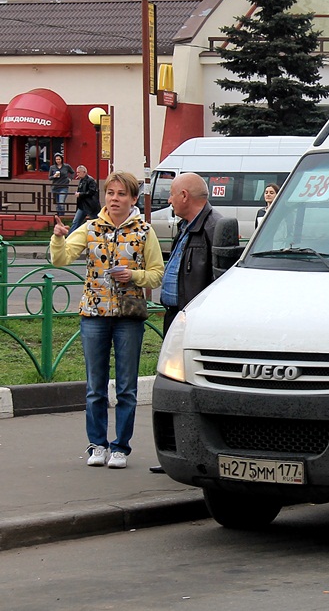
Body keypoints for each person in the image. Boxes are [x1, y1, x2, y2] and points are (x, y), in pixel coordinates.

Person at [49, 171, 164, 470]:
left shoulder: (143, 231)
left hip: (128, 316)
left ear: (133, 199)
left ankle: (120, 447)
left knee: (126, 387)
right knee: (95, 386)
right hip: (94, 315)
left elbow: (156, 272)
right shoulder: (90, 228)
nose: (114, 199)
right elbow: (60, 260)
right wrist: (58, 238)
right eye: (110, 193)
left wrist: (134, 276)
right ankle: (97, 444)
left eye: (121, 194)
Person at [160, 172, 222, 335]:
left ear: (184, 196)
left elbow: (221, 280)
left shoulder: (213, 227)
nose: (169, 200)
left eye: (171, 194)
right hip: (177, 315)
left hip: (195, 321)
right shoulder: (185, 226)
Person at [69, 165, 100, 234]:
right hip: (82, 206)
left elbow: (91, 192)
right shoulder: (82, 180)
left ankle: (100, 235)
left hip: (90, 205)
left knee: (96, 222)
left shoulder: (90, 180)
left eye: (78, 172)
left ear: (84, 172)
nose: (77, 174)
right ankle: (69, 238)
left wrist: (80, 194)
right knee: (76, 222)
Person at [48, 153, 74, 217]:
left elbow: (72, 172)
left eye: (59, 159)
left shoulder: (66, 166)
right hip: (55, 187)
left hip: (64, 186)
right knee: (57, 204)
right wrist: (54, 176)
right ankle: (58, 217)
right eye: (56, 159)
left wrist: (70, 179)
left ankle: (62, 217)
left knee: (61, 202)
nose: (58, 161)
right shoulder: (52, 167)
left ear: (61, 159)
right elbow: (49, 177)